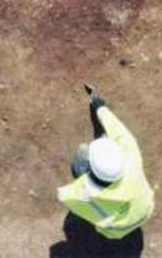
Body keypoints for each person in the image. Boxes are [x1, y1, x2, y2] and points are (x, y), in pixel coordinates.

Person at [56, 85, 154, 240]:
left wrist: (97, 104)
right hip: (144, 212)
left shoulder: (82, 194)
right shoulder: (131, 158)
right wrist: (101, 108)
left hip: (114, 232)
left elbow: (63, 195)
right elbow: (119, 132)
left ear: (91, 171)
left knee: (81, 154)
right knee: (101, 142)